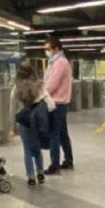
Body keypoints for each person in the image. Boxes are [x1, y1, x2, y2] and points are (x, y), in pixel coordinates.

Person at [11, 58, 55, 186]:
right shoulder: (39, 87)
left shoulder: (16, 89)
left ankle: (30, 176)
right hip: (37, 122)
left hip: (24, 122)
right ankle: (40, 173)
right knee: (37, 146)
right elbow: (51, 104)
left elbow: (12, 109)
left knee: (27, 150)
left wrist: (13, 126)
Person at [42, 36, 74, 174]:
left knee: (54, 133)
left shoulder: (60, 62)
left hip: (57, 103)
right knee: (62, 133)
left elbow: (52, 85)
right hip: (59, 103)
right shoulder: (55, 62)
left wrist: (40, 93)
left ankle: (54, 165)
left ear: (56, 48)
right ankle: (68, 160)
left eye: (48, 49)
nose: (46, 51)